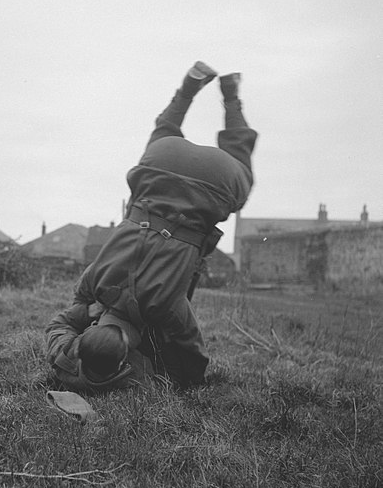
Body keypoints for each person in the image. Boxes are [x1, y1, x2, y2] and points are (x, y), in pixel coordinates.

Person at [45, 61, 257, 392]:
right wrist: (85, 312)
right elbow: (59, 325)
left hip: (215, 180)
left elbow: (192, 355)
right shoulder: (94, 284)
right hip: (161, 163)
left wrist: (187, 384)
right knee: (164, 128)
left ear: (129, 349)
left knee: (240, 159)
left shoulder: (166, 308)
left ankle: (232, 95)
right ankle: (190, 87)